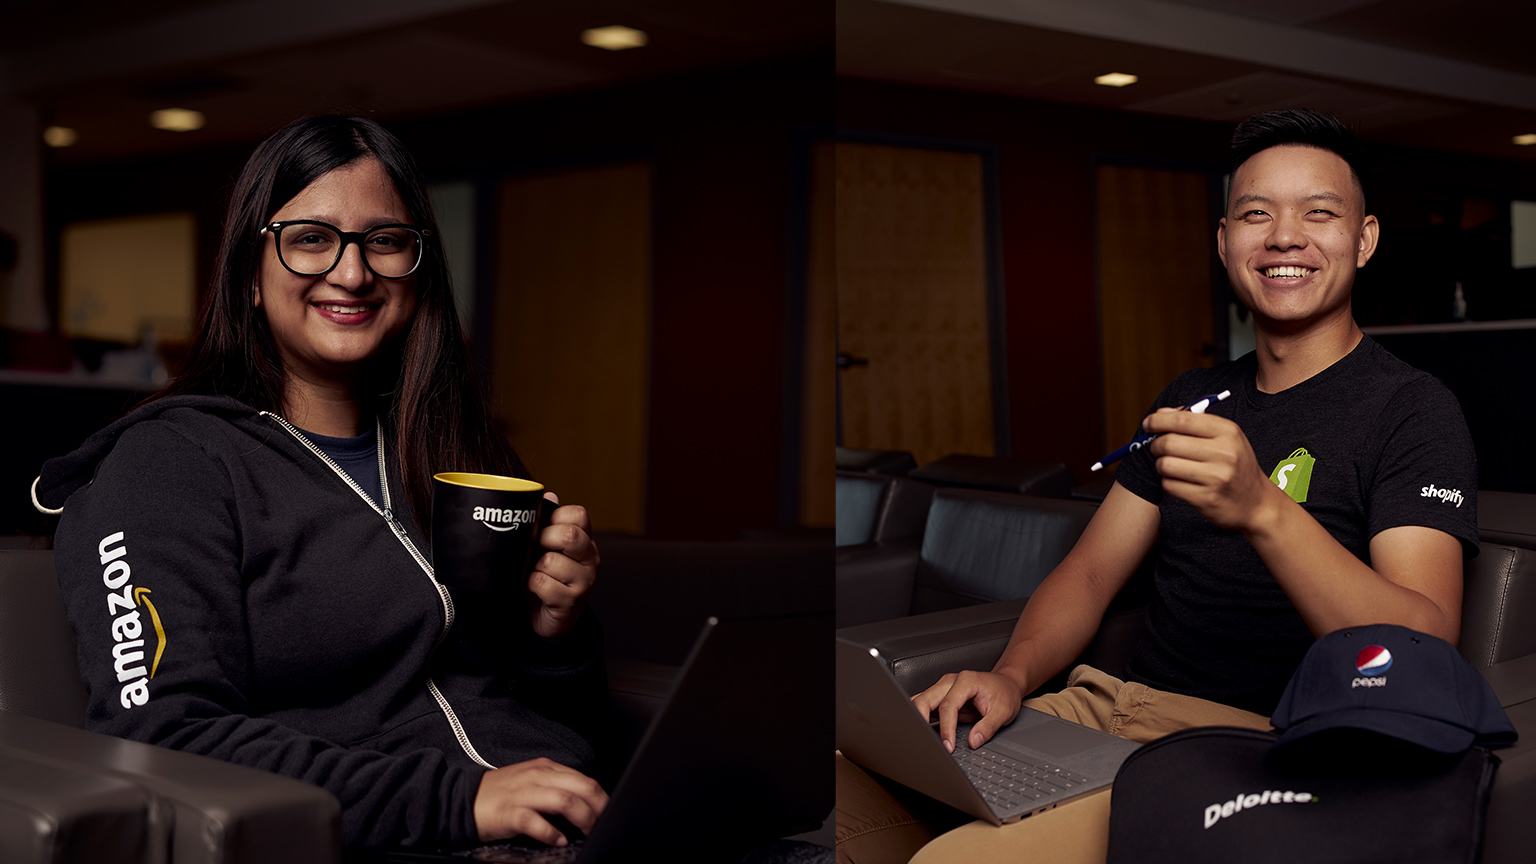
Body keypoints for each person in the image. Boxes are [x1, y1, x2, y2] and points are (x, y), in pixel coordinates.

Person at [835, 109, 1480, 863]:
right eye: (1255, 215)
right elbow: (1089, 571)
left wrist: (1263, 510)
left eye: (1319, 214)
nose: (1283, 237)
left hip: (1257, 745)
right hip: (1107, 710)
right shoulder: (1197, 395)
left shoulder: (1413, 410)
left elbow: (1420, 644)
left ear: (1363, 239)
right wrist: (1009, 675)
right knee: (828, 802)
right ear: (1224, 241)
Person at [32, 115, 610, 850]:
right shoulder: (165, 466)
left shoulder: (460, 454)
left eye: (385, 241)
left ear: (417, 265)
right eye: (311, 238)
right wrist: (457, 800)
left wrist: (557, 633)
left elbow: (558, 720)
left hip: (579, 826)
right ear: (248, 272)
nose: (352, 272)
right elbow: (164, 739)